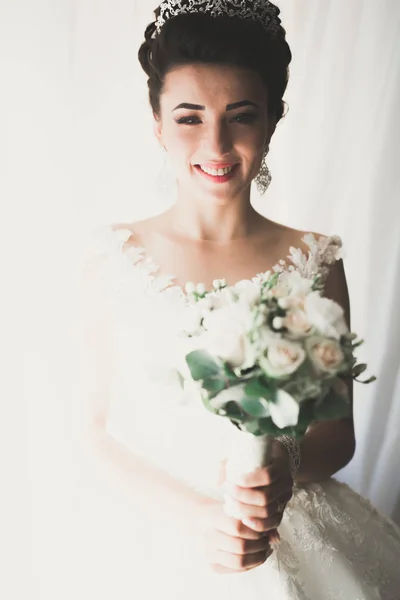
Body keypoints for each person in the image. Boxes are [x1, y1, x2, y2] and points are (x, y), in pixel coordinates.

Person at [80, 1, 400, 598]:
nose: (217, 144)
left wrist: (280, 465)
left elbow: (337, 433)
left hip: (283, 522)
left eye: (241, 116)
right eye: (189, 117)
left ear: (274, 119)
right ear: (157, 124)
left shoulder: (317, 259)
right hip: (155, 531)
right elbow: (92, 434)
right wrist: (200, 521)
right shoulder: (113, 256)